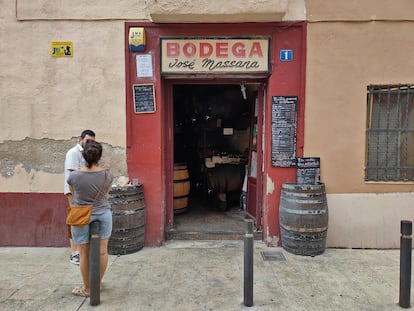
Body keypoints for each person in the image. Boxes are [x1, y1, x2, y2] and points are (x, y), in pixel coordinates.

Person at [67, 140, 114, 297]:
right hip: (103, 215)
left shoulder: (74, 176)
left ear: (83, 155)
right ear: (99, 156)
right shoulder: (108, 175)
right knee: (102, 251)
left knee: (84, 253)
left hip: (81, 216)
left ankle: (87, 288)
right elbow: (106, 195)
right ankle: (97, 283)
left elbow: (74, 195)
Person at [64, 129, 96, 265]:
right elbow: (72, 174)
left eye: (92, 142)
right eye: (88, 141)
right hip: (73, 191)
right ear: (80, 139)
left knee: (82, 220)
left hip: (83, 192)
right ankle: (74, 252)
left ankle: (81, 250)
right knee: (74, 219)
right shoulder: (73, 153)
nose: (90, 143)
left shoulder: (86, 153)